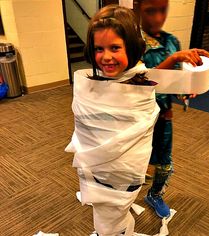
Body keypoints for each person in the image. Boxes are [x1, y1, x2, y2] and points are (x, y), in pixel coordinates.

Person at [66, 5, 160, 236]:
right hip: (96, 171)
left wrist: (182, 62)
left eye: (115, 47)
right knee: (109, 215)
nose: (106, 56)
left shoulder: (140, 84)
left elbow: (167, 80)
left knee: (111, 218)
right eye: (99, 48)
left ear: (131, 47)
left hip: (124, 173)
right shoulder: (91, 84)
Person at [137, 0, 209, 218]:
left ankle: (155, 194)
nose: (158, 18)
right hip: (137, 116)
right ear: (139, 9)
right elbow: (140, 81)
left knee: (164, 161)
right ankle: (120, 198)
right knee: (131, 161)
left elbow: (175, 81)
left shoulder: (172, 41)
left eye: (162, 10)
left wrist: (186, 91)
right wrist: (173, 59)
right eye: (150, 11)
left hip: (163, 115)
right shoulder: (130, 41)